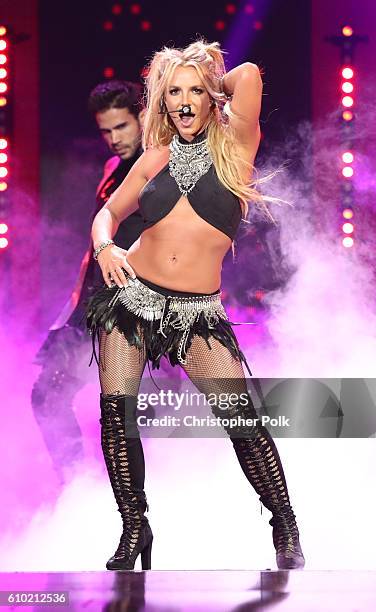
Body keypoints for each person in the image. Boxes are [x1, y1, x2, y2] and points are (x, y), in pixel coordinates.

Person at [87, 40, 305, 571]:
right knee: (115, 418)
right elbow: (106, 216)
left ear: (210, 98)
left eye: (194, 94)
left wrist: (200, 76)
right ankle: (134, 528)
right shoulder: (153, 158)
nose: (183, 103)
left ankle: (285, 525)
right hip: (132, 300)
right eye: (173, 95)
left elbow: (249, 73)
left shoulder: (236, 145)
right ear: (162, 105)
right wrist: (105, 247)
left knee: (243, 420)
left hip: (196, 314)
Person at [31, 80, 146, 484]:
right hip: (94, 304)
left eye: (122, 127)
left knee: (131, 415)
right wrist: (72, 308)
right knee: (48, 396)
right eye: (106, 131)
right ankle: (77, 484)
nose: (114, 139)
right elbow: (97, 246)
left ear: (142, 118)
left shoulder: (157, 167)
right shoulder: (113, 169)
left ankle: (111, 496)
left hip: (132, 308)